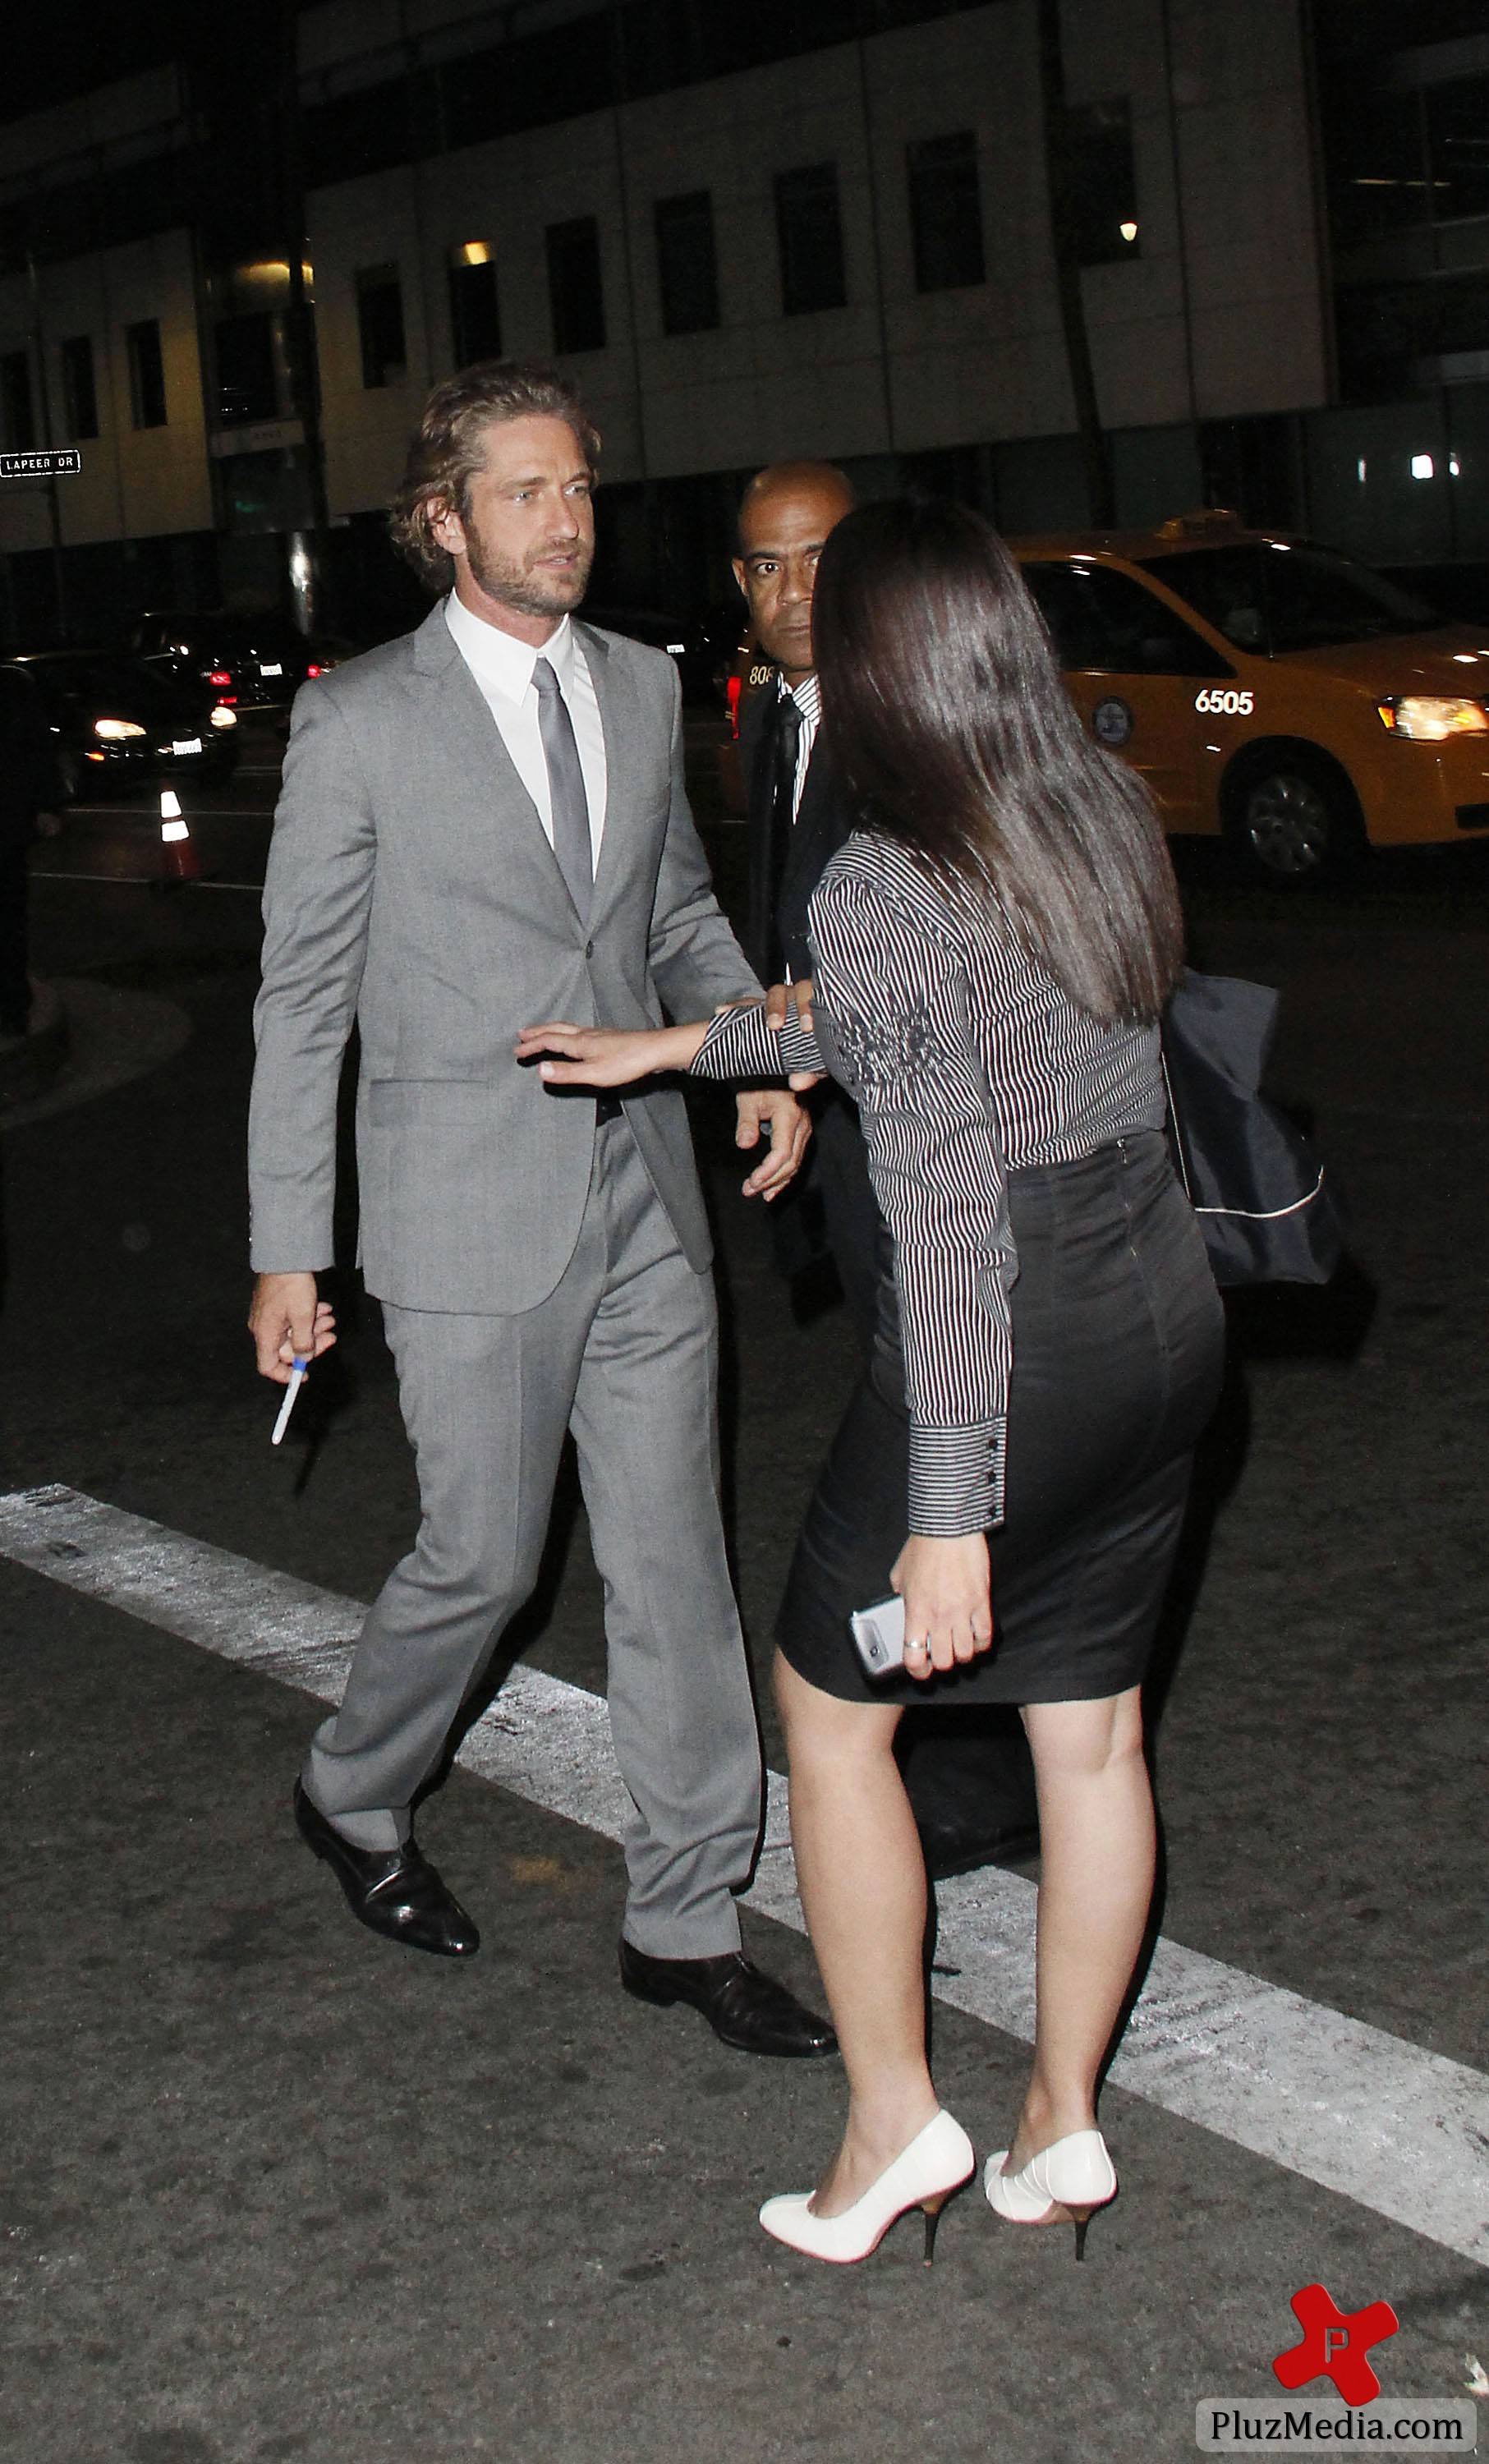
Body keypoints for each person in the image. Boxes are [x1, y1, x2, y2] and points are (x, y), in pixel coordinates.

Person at [518, 497, 1226, 2261]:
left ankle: (893, 2125)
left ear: (883, 655)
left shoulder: (884, 873)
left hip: (1019, 1331)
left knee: (831, 1722)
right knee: (1093, 1732)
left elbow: (947, 1215)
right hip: (1161, 1312)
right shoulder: (1093, 809)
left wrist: (952, 1513)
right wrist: (687, 1042)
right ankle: (1059, 2128)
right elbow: (934, 1023)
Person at [246, 361, 834, 2064]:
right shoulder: (361, 719)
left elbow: (678, 915)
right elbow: (302, 1003)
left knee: (674, 1561)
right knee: (486, 1557)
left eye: (578, 487)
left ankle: (686, 1914)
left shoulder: (647, 686)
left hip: (645, 1193)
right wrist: (290, 1249)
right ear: (443, 524)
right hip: (463, 1205)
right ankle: (354, 1789)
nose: (566, 518)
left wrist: (755, 1058)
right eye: (525, 493)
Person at [733, 462, 1041, 1880]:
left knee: (951, 1447)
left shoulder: (909, 729)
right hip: (855, 1141)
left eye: (819, 560)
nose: (793, 592)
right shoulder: (770, 723)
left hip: (936, 1158)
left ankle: (978, 1777)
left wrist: (751, 1049)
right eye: (763, 566)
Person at [0, 664, 61, 1039]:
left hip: (8, 821)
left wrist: (46, 804)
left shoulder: (13, 689)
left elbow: (38, 749)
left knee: (9, 919)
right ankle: (12, 1006)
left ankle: (13, 1006)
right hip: (11, 819)